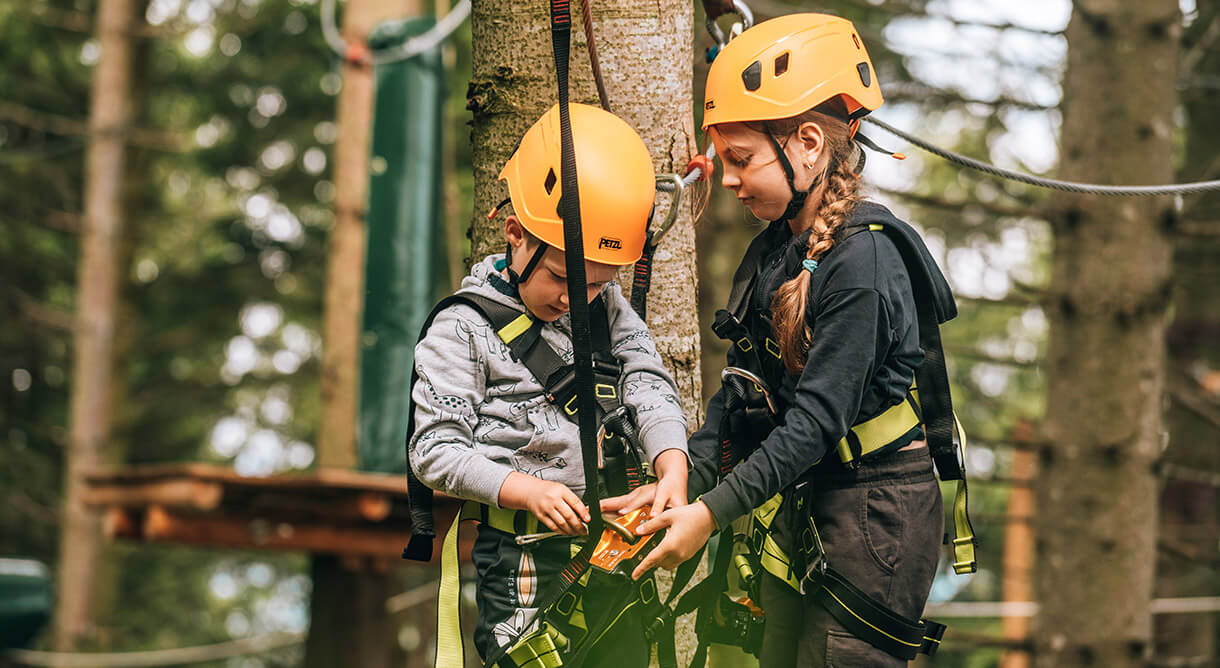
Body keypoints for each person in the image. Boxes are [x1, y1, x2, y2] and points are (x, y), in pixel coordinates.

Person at [603, 13, 959, 666]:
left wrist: (708, 514)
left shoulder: (863, 265)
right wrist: (683, 476)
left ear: (808, 144)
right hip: (813, 495)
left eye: (740, 160)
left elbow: (816, 420)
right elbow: (743, 394)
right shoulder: (777, 253)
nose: (728, 179)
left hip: (877, 513)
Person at [408, 102, 690, 666]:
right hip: (522, 559)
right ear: (516, 234)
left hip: (614, 550)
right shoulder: (463, 327)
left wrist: (672, 465)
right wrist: (526, 490)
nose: (575, 298)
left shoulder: (604, 306)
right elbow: (434, 449)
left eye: (596, 282)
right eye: (562, 276)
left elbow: (647, 381)